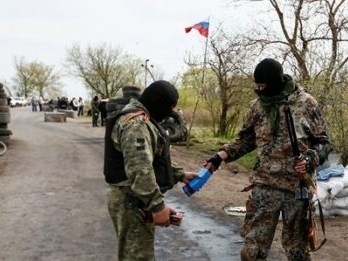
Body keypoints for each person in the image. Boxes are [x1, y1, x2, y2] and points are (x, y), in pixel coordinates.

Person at [204, 58, 331, 261]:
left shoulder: (306, 103)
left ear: (275, 81)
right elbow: (245, 139)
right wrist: (221, 156)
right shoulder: (257, 106)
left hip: (296, 188)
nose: (260, 90)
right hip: (265, 187)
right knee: (252, 250)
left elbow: (324, 142)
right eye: (258, 86)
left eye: (263, 85)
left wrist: (310, 158)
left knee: (298, 251)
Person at [104, 80, 198, 260]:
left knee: (134, 254)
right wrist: (157, 206)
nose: (170, 113)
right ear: (160, 104)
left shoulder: (140, 117)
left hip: (133, 197)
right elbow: (140, 169)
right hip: (131, 199)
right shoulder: (137, 124)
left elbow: (148, 157)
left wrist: (180, 174)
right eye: (169, 108)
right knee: (137, 257)